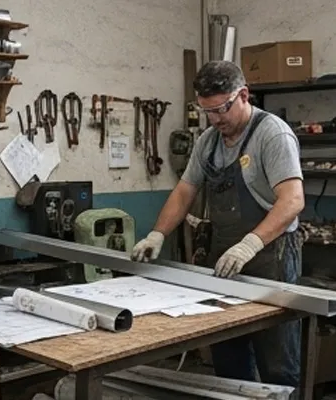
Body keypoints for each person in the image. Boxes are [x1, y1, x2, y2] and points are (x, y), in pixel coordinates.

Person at [130, 60, 305, 389]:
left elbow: (293, 201)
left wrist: (251, 244)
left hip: (271, 257)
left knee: (276, 360)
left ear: (244, 95)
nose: (215, 119)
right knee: (228, 351)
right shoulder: (208, 141)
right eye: (207, 111)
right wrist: (157, 234)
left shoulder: (272, 134)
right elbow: (185, 191)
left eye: (221, 109)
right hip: (225, 255)